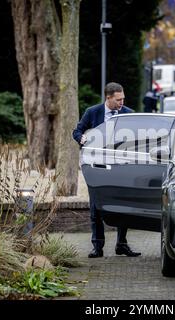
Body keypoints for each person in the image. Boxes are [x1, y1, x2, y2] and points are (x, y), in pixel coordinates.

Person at [72, 82, 141, 258]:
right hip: (97, 167)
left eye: (123, 99)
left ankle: (121, 244)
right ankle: (97, 247)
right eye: (118, 100)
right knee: (96, 207)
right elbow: (77, 131)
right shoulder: (92, 112)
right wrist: (82, 139)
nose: (122, 103)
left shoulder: (129, 114)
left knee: (123, 205)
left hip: (121, 167)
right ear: (108, 98)